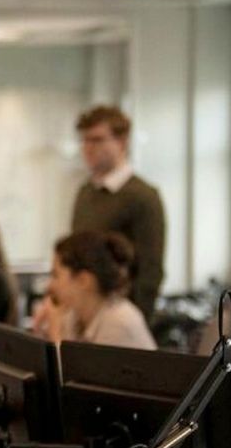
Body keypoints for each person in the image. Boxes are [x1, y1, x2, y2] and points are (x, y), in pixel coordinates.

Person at [70, 105, 166, 321]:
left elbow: (150, 272)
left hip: (120, 317)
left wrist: (137, 324)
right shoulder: (85, 192)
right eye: (84, 140)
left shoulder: (143, 196)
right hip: (84, 315)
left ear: (122, 142)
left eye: (97, 140)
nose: (88, 147)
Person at [32, 230, 156, 350]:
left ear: (83, 280)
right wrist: (40, 329)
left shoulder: (119, 322)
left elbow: (71, 364)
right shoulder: (73, 313)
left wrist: (55, 331)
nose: (49, 286)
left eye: (55, 275)